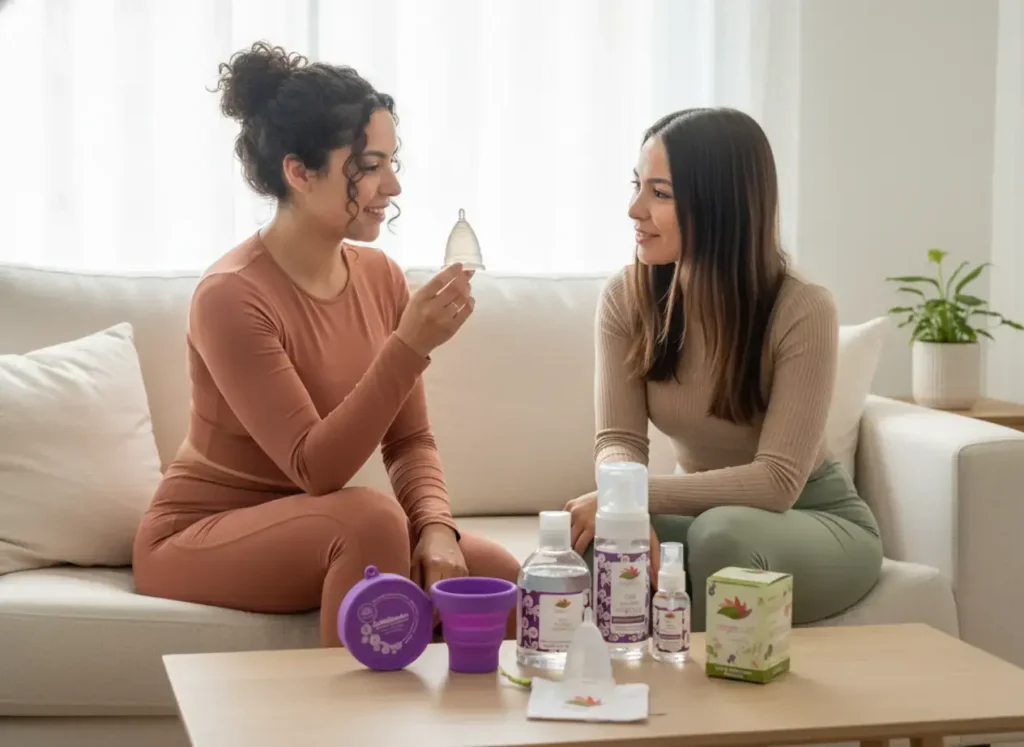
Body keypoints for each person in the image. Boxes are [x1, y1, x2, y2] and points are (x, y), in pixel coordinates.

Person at [132, 41, 520, 647]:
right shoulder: (230, 296)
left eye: (393, 161)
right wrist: (409, 346)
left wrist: (438, 529)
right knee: (367, 521)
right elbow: (316, 469)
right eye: (369, 164)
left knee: (499, 577)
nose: (392, 184)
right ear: (299, 171)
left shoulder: (381, 274)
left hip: (316, 524)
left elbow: (409, 439)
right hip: (202, 532)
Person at [565, 107, 883, 631]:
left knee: (723, 538)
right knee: (594, 536)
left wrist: (634, 495)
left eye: (660, 193)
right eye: (637, 186)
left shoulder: (801, 309)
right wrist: (625, 511)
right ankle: (623, 698)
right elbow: (618, 438)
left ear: (721, 205)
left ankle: (711, 707)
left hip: (813, 518)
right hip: (710, 511)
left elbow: (777, 481)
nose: (634, 209)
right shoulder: (627, 296)